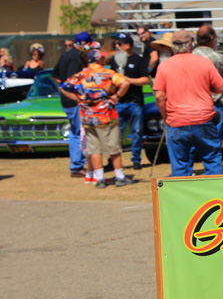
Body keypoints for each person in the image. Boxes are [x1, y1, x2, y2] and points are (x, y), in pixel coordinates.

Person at [152, 29, 223, 177]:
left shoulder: (164, 66)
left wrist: (166, 116)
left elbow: (159, 96)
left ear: (173, 46)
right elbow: (221, 87)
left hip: (177, 120)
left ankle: (182, 199)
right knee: (212, 160)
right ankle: (218, 196)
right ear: (191, 44)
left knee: (180, 165)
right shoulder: (204, 63)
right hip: (203, 117)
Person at [58, 46, 134, 188]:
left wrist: (78, 99)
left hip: (87, 117)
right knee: (114, 147)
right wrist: (116, 97)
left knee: (94, 149)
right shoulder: (107, 73)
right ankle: (119, 176)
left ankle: (100, 179)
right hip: (107, 116)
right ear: (100, 59)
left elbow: (63, 86)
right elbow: (125, 83)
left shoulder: (80, 75)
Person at [106, 33, 150, 171]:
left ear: (128, 45)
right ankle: (113, 161)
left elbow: (146, 80)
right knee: (115, 133)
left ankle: (136, 160)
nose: (117, 46)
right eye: (116, 44)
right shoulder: (114, 60)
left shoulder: (139, 60)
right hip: (118, 102)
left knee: (137, 132)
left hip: (134, 102)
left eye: (119, 44)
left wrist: (128, 80)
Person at [51, 31, 91, 178]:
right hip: (75, 100)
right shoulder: (78, 58)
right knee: (79, 133)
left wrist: (63, 88)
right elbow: (75, 80)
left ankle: (76, 165)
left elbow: (55, 75)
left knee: (75, 132)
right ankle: (77, 166)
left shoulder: (65, 55)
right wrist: (77, 95)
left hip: (66, 100)